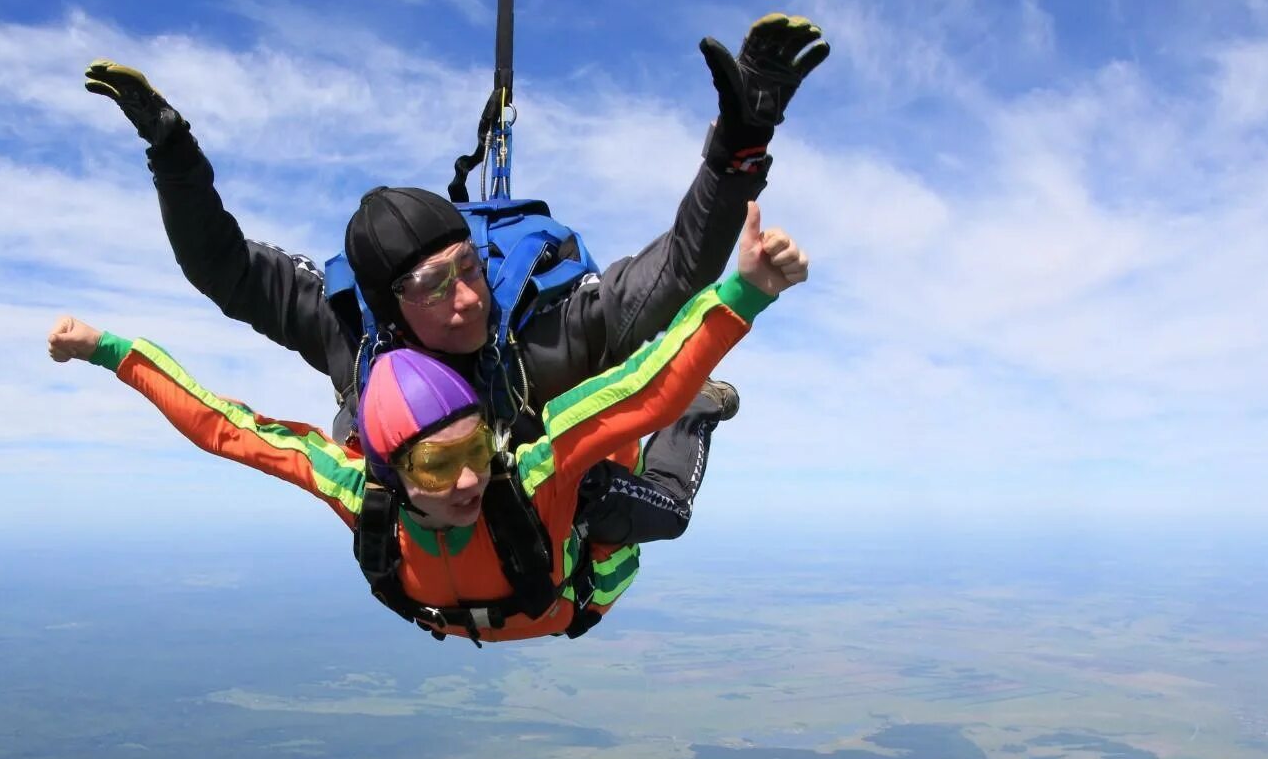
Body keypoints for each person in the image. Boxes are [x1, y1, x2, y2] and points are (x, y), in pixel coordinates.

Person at [81, 14, 828, 549]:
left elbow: (678, 272)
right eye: (437, 286)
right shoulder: (348, 325)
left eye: (470, 269)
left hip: (568, 480)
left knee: (643, 512)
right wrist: (173, 157)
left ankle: (692, 411)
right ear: (388, 303)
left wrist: (740, 145)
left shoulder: (541, 330)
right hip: (441, 524)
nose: (470, 298)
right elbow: (224, 269)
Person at [47, 203, 807, 643]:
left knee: (661, 513)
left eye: (475, 448)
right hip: (524, 609)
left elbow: (645, 391)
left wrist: (743, 293)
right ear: (392, 469)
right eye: (440, 468)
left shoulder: (530, 468)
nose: (471, 478)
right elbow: (223, 427)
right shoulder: (355, 486)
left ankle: (706, 415)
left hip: (578, 594)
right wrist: (111, 351)